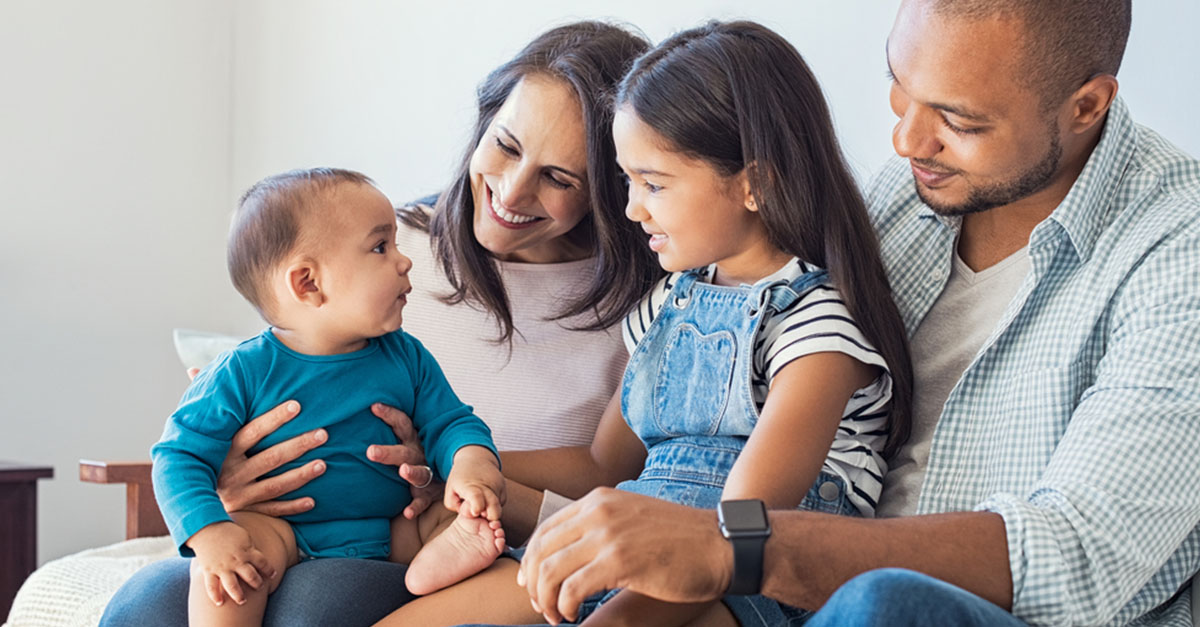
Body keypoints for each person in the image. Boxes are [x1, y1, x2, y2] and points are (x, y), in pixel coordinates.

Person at [513, 1, 1200, 625]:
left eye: (958, 120)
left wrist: (734, 547)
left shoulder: (1177, 251)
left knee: (884, 601)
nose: (906, 142)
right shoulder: (910, 195)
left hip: (928, 609)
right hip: (799, 596)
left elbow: (1078, 554)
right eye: (900, 89)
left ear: (1086, 106)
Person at [101, 21, 660, 627]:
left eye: (559, 177)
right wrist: (225, 486)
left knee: (317, 607)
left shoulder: (651, 303)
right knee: (144, 605)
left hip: (443, 526)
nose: (510, 190)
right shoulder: (370, 245)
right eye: (505, 144)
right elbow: (268, 377)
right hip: (288, 521)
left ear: (613, 186)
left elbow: (609, 475)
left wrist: (453, 467)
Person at [375, 19, 914, 627]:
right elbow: (607, 466)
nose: (630, 209)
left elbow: (740, 528)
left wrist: (627, 598)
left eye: (652, 184)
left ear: (756, 185)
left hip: (739, 577)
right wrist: (462, 458)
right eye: (629, 181)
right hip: (634, 528)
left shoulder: (816, 327)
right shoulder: (668, 303)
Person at [152, 167, 511, 625]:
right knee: (230, 573)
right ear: (308, 283)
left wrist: (472, 466)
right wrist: (211, 533)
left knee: (451, 517)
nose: (404, 261)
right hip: (283, 531)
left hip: (393, 524)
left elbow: (451, 422)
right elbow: (177, 457)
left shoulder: (406, 357)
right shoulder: (243, 370)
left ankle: (438, 562)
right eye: (381, 247)